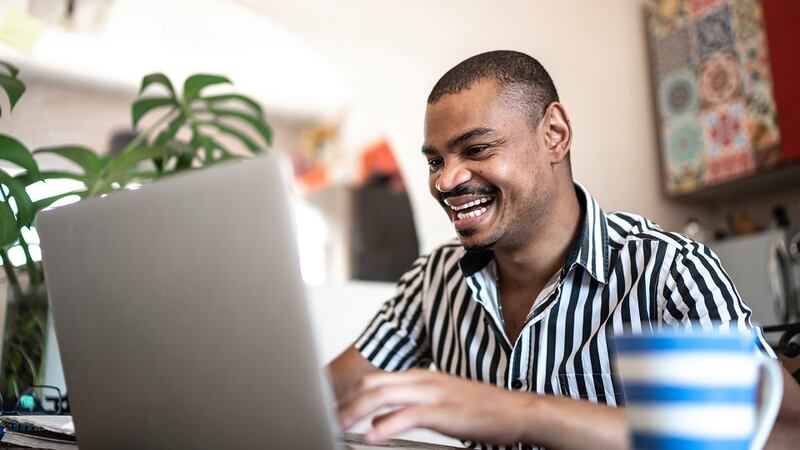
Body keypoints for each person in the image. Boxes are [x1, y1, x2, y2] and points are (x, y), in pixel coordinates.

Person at [328, 50, 800, 450]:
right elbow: (322, 398)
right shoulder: (435, 278)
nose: (444, 181)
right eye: (436, 160)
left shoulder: (666, 270)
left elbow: (779, 435)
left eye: (475, 150)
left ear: (554, 133)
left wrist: (526, 413)